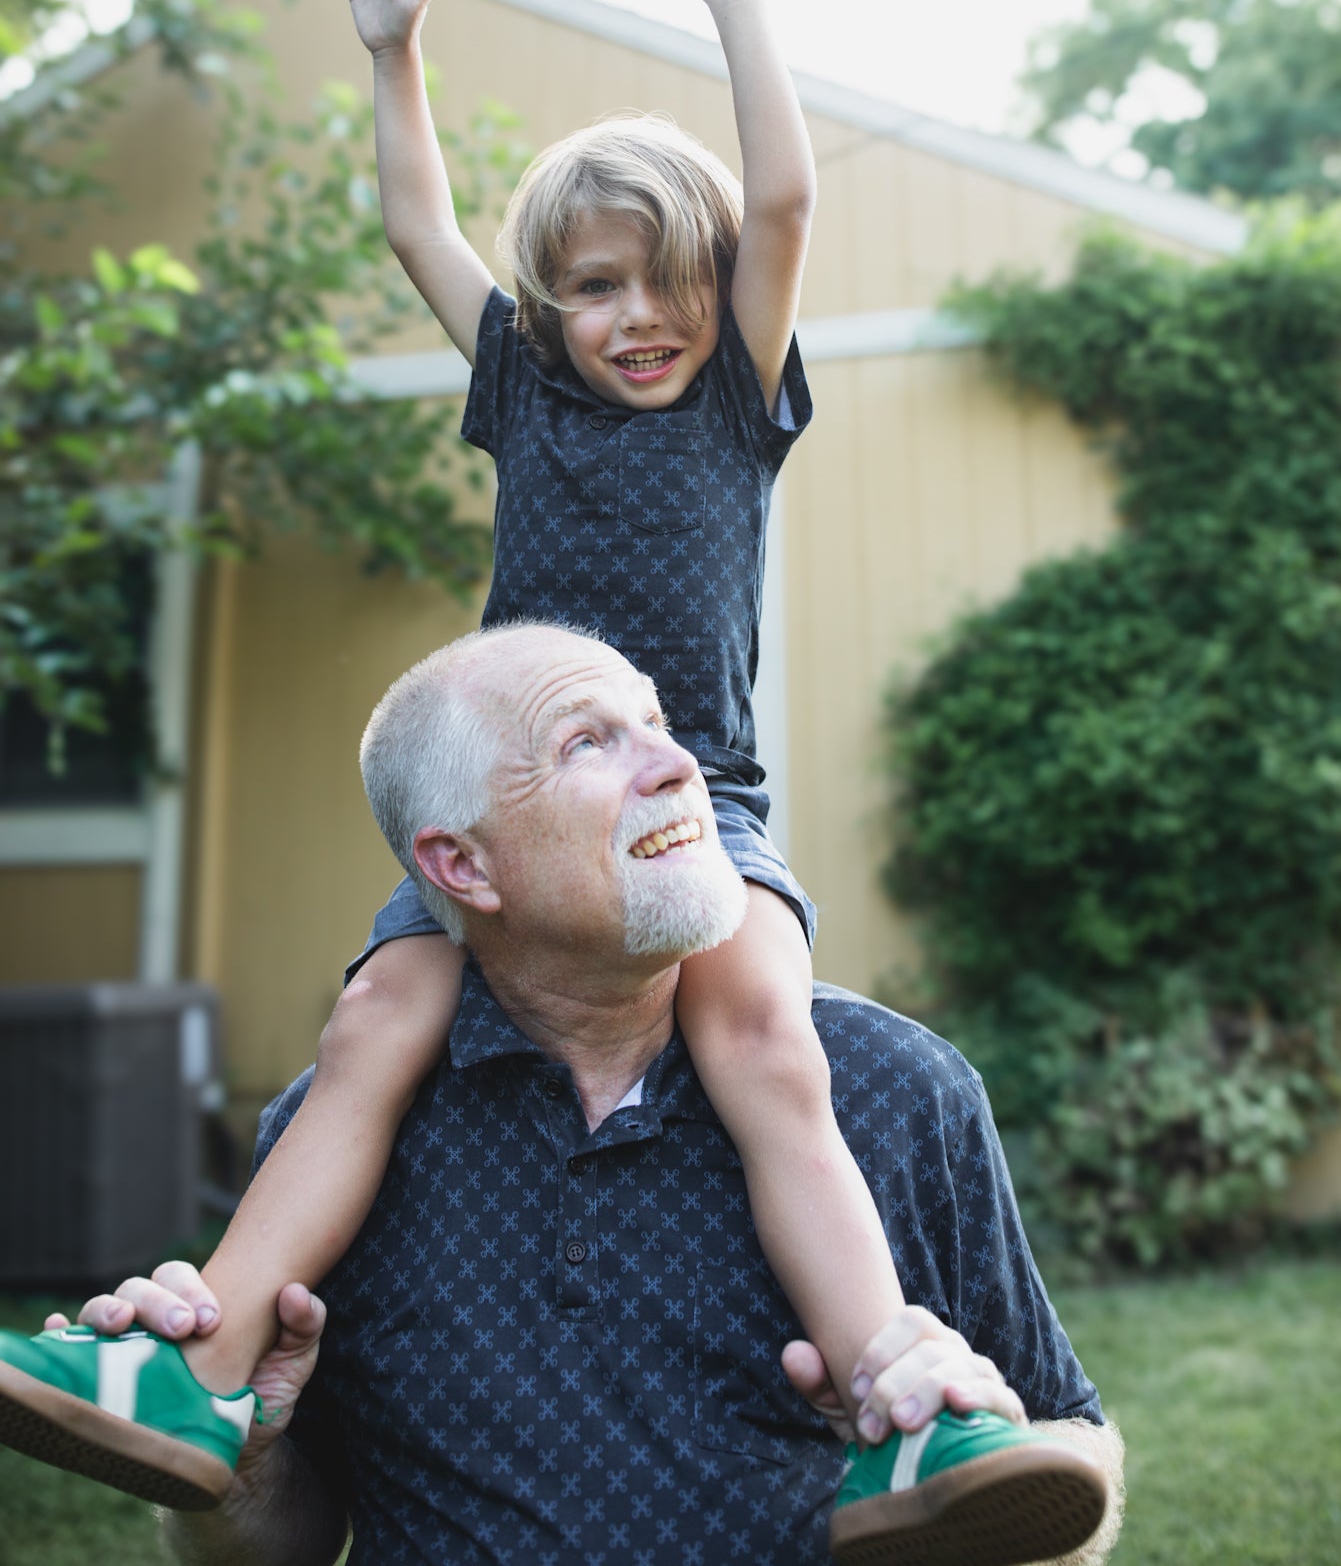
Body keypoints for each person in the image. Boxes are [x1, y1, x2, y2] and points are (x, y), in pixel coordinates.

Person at [0, 0, 1105, 1560]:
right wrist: (391, 54)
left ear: (716, 295)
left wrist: (736, 1)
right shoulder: (520, 385)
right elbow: (414, 222)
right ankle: (203, 1361)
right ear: (548, 304)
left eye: (670, 281)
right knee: (378, 1014)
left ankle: (898, 1395)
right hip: (522, 794)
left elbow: (786, 197)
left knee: (763, 1038)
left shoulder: (736, 390)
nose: (636, 316)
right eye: (596, 286)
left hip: (695, 799)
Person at [50, 626, 1122, 1565]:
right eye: (587, 742)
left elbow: (1075, 1449)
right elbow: (286, 1542)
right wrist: (241, 1463)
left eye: (657, 723)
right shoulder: (329, 1137)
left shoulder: (896, 1088)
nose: (679, 764)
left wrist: (983, 1447)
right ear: (463, 866)